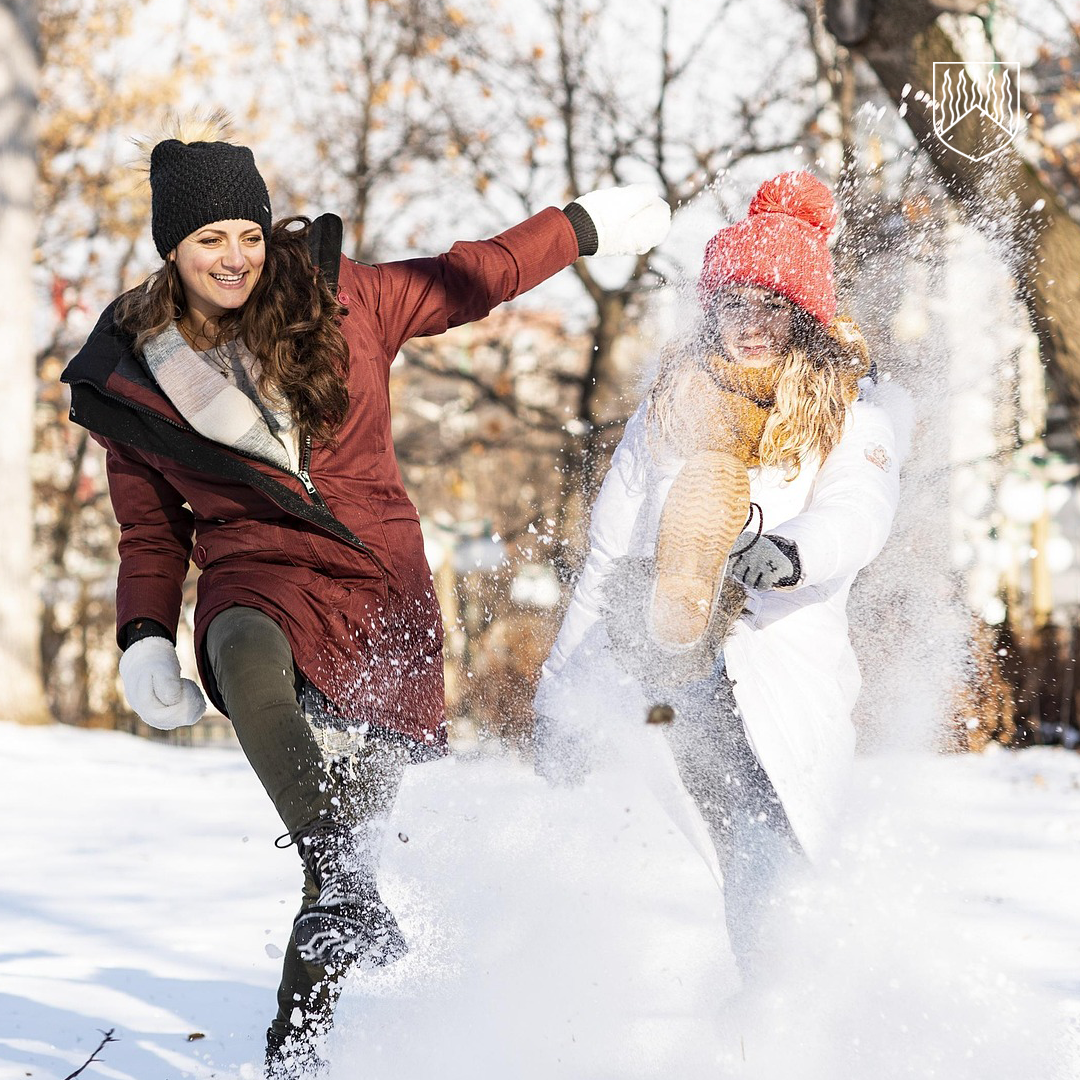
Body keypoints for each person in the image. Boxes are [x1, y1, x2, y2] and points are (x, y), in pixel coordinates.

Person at [60, 112, 670, 1075]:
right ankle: (334, 871)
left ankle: (292, 1055)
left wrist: (581, 225)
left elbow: (476, 274)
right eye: (208, 240)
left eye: (248, 236)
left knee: (347, 861)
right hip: (255, 568)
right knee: (242, 646)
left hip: (379, 591)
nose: (234, 258)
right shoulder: (135, 377)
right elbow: (150, 531)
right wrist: (143, 633)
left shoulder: (349, 302)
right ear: (170, 251)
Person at [533, 171, 910, 979]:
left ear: (804, 316)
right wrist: (560, 699)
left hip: (780, 666)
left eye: (771, 306)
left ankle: (783, 1014)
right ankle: (682, 599)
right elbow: (602, 559)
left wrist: (794, 551)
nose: (751, 324)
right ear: (713, 309)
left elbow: (861, 509)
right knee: (692, 856)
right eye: (735, 303)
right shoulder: (670, 405)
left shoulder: (849, 413)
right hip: (678, 685)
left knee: (767, 846)